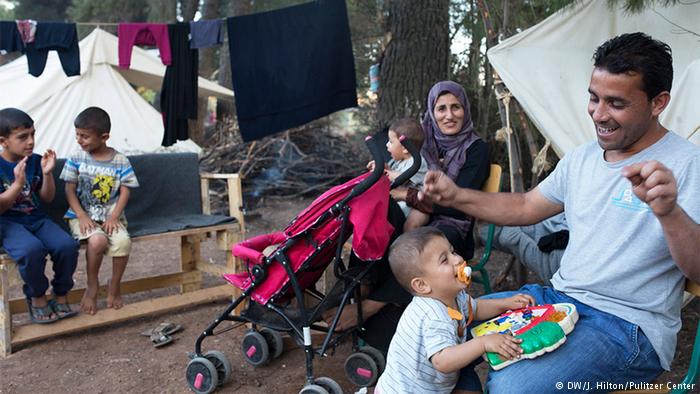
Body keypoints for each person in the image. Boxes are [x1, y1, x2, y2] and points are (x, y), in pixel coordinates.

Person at [421, 32, 700, 391]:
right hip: (557, 300)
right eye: (594, 98)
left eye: (616, 103)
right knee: (433, 327)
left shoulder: (687, 165)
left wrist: (668, 211)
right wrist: (456, 195)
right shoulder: (582, 158)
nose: (598, 114)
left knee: (513, 388)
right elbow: (524, 206)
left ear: (658, 102)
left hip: (627, 328)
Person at [375, 227, 534, 394]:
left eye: (453, 251)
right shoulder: (432, 315)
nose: (457, 259)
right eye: (445, 260)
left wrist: (505, 304)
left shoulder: (453, 295)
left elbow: (476, 308)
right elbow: (443, 361)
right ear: (422, 285)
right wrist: (483, 343)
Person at [393, 80, 490, 262]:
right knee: (384, 225)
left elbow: (459, 205)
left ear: (465, 110)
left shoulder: (477, 149)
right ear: (432, 111)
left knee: (422, 252)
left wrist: (408, 195)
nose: (449, 115)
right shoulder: (422, 140)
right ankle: (361, 285)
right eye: (441, 109)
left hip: (452, 225)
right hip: (413, 214)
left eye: (456, 107)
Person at [0, 107, 79, 324]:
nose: (31, 141)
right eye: (22, 137)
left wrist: (47, 174)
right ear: (3, 141)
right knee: (31, 251)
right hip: (8, 222)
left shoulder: (34, 160)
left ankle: (61, 293)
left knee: (67, 246)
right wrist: (17, 184)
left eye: (33, 134)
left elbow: (47, 198)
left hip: (36, 218)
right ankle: (37, 296)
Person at [60, 107, 139, 315]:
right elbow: (69, 189)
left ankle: (114, 285)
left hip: (111, 218)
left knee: (123, 242)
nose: (79, 140)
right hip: (81, 216)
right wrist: (82, 215)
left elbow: (125, 190)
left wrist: (114, 216)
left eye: (84, 136)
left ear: (104, 137)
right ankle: (92, 285)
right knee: (97, 241)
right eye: (77, 134)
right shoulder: (77, 157)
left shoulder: (120, 160)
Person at [367, 117, 428, 217]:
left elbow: (404, 178)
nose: (387, 145)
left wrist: (387, 173)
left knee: (411, 225)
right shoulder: (399, 161)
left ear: (405, 148)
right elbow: (394, 173)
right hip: (401, 203)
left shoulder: (417, 161)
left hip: (416, 206)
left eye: (391, 142)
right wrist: (383, 167)